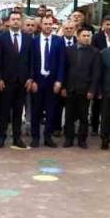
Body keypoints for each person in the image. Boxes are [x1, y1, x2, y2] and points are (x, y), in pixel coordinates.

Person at [0, 11, 32, 149]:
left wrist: (30, 78)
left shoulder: (28, 38)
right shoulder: (1, 37)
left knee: (18, 111)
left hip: (22, 81)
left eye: (18, 19)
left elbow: (31, 60)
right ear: (8, 22)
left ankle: (17, 138)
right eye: (13, 19)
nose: (15, 21)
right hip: (6, 80)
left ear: (21, 22)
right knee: (4, 111)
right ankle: (2, 137)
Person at [29, 16, 66, 148]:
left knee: (51, 110)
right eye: (45, 24)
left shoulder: (59, 41)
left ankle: (48, 137)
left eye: (50, 24)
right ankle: (35, 137)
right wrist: (32, 80)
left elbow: (62, 62)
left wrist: (59, 81)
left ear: (53, 26)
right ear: (41, 26)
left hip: (52, 81)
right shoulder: (34, 41)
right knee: (36, 111)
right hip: (38, 81)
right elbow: (31, 62)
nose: (48, 26)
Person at [63, 27, 99, 148]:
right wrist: (63, 87)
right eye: (84, 35)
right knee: (69, 116)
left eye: (88, 36)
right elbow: (64, 69)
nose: (86, 38)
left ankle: (82, 139)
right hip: (70, 88)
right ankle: (69, 138)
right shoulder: (69, 50)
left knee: (84, 117)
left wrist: (92, 90)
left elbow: (96, 73)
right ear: (77, 37)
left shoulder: (94, 52)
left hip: (85, 89)